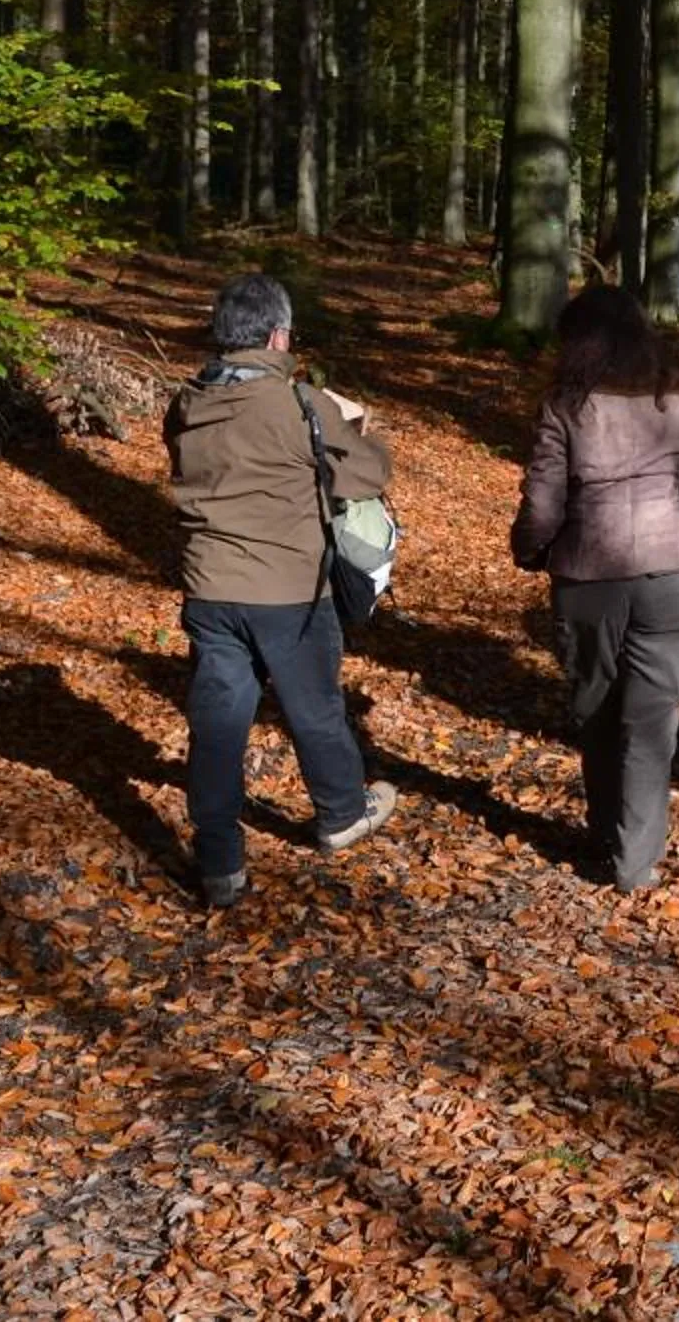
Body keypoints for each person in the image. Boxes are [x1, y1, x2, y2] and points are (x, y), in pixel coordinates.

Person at [164, 273, 400, 909]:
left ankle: (219, 861)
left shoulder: (187, 402)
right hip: (290, 591)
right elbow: (368, 474)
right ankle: (341, 813)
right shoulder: (301, 404)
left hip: (209, 588)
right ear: (277, 334)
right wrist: (355, 423)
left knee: (217, 720)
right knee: (314, 707)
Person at [512, 285, 679, 893]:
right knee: (652, 720)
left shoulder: (565, 405)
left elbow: (542, 502)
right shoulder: (678, 400)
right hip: (668, 577)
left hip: (587, 578)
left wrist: (529, 549)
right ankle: (635, 859)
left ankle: (611, 834)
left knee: (598, 711)